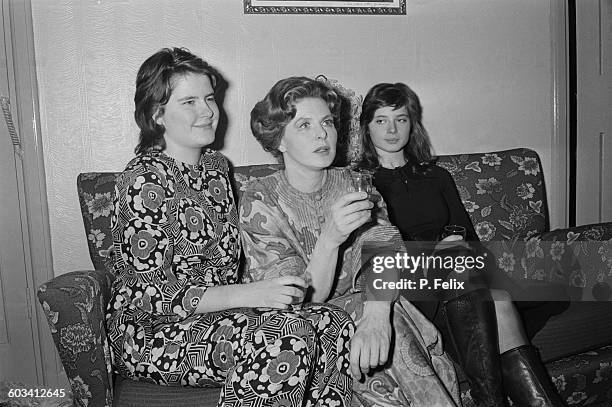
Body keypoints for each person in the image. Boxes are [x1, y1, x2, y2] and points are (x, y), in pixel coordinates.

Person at [106, 48, 355, 407]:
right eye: (189, 101)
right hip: (148, 333)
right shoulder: (142, 180)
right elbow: (154, 294)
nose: (207, 111)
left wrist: (265, 294)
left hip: (215, 318)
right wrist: (252, 295)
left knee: (334, 322)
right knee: (288, 334)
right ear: (157, 113)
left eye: (209, 98)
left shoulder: (216, 169)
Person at [240, 76, 461, 407]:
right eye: (304, 125)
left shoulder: (356, 184)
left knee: (390, 323)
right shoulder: (259, 199)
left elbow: (385, 252)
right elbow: (295, 299)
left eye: (327, 122)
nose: (322, 134)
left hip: (370, 315)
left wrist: (376, 315)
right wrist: (330, 239)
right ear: (279, 140)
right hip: (297, 333)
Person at [357, 82, 566, 407]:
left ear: (412, 123)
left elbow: (467, 234)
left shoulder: (436, 175)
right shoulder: (362, 182)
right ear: (367, 127)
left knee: (498, 300)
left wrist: (454, 241)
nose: (392, 129)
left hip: (458, 274)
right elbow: (373, 248)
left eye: (400, 119)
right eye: (381, 120)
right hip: (404, 279)